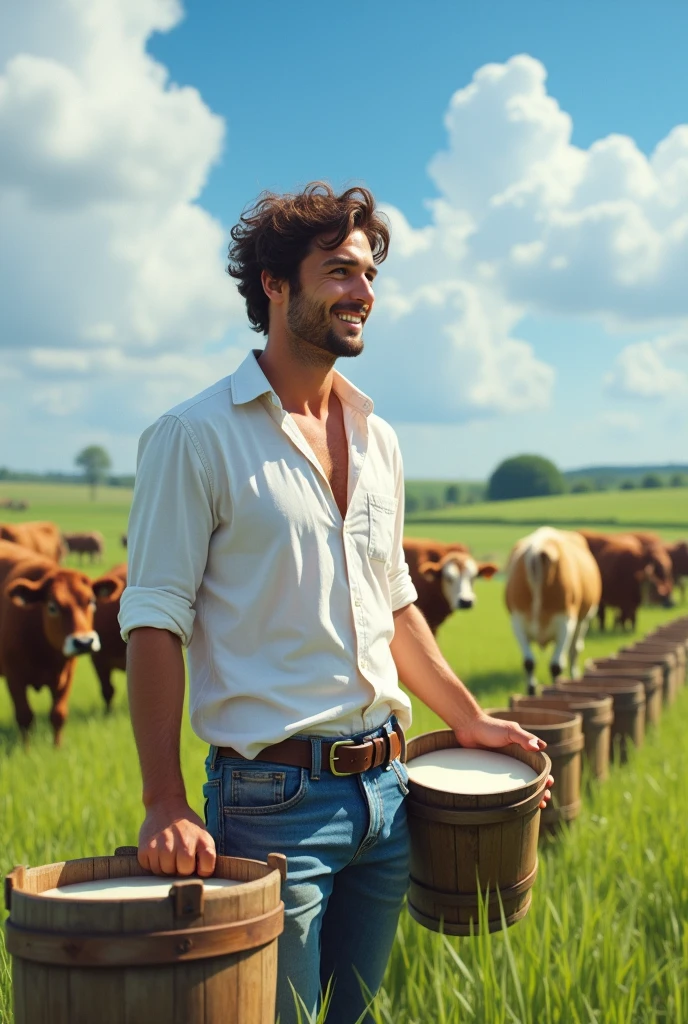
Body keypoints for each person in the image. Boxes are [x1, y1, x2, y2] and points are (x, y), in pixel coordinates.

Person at [119, 182, 552, 1024]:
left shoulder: (377, 435)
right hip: (271, 804)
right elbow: (153, 621)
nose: (364, 293)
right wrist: (163, 799)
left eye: (368, 274)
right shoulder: (194, 435)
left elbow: (393, 603)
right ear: (274, 285)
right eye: (339, 272)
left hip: (389, 794)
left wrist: (467, 719)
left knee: (350, 1017)